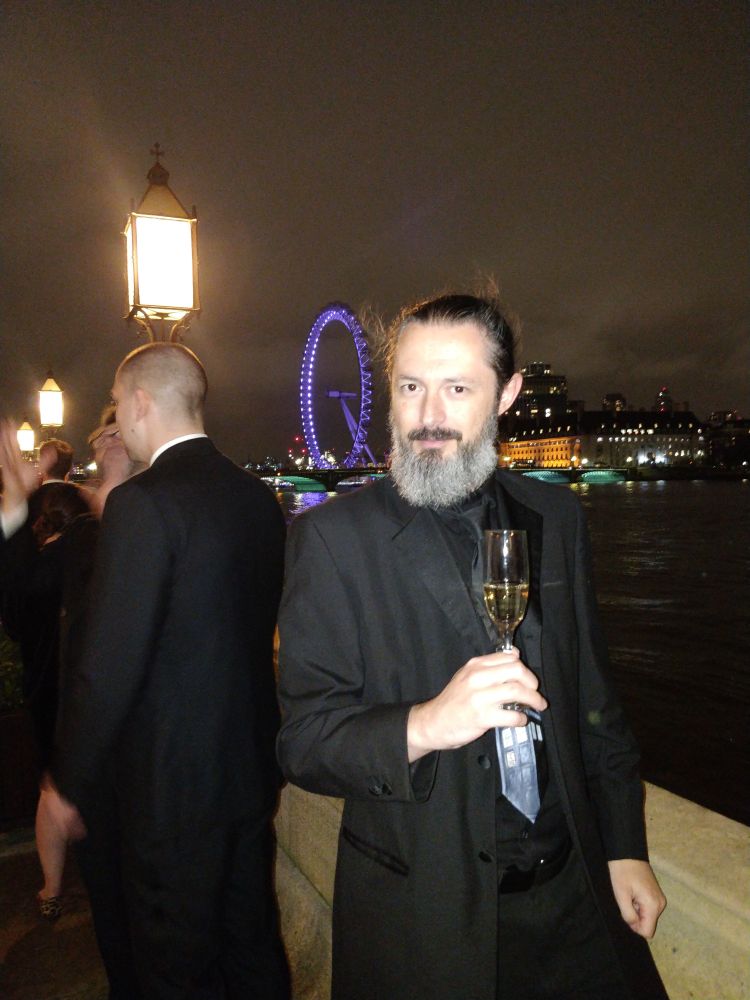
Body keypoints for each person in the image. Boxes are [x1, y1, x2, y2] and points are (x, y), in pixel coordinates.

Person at [277, 293, 669, 1000]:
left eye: (457, 388)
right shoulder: (334, 541)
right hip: (426, 917)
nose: (429, 415)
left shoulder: (556, 515)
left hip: (575, 898)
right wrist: (426, 724)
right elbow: (303, 741)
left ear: (508, 394)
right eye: (411, 387)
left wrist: (623, 847)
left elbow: (596, 703)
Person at [43, 342, 291, 999]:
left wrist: (67, 782)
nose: (119, 420)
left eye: (120, 404)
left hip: (170, 789)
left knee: (171, 964)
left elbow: (109, 664)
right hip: (247, 767)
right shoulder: (258, 499)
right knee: (250, 944)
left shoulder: (142, 505)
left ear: (141, 401)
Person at [0, 453, 91, 920]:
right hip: (86, 694)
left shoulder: (44, 568)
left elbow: (14, 614)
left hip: (50, 695)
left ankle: (52, 887)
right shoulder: (91, 558)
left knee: (52, 790)